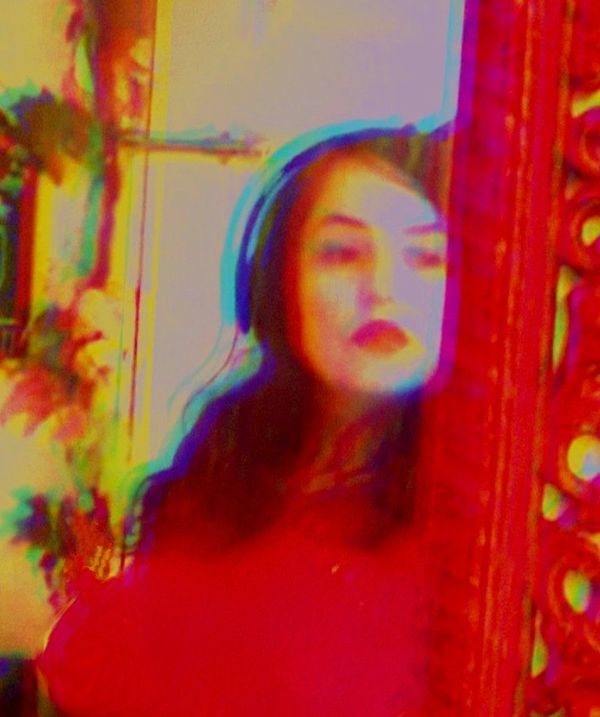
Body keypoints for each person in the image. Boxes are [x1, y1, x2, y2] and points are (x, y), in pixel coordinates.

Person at [37, 123, 452, 716]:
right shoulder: (225, 467)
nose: (385, 288)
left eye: (428, 256)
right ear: (278, 283)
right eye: (342, 253)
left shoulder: (483, 524)